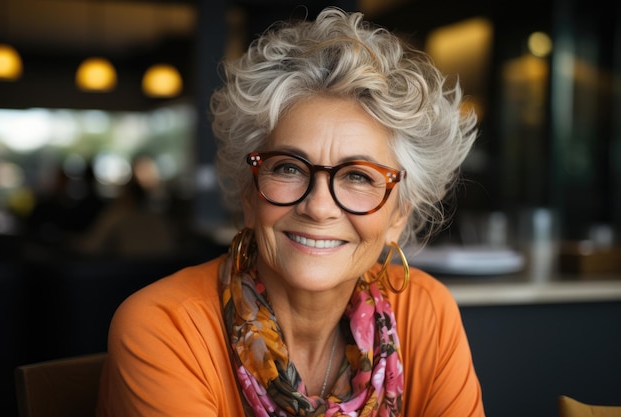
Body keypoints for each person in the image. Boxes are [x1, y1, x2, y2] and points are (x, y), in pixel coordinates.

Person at [96, 7, 484, 417]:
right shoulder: (164, 327)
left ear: (399, 214)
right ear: (249, 195)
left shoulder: (426, 313)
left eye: (358, 176)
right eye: (288, 168)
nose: (318, 207)